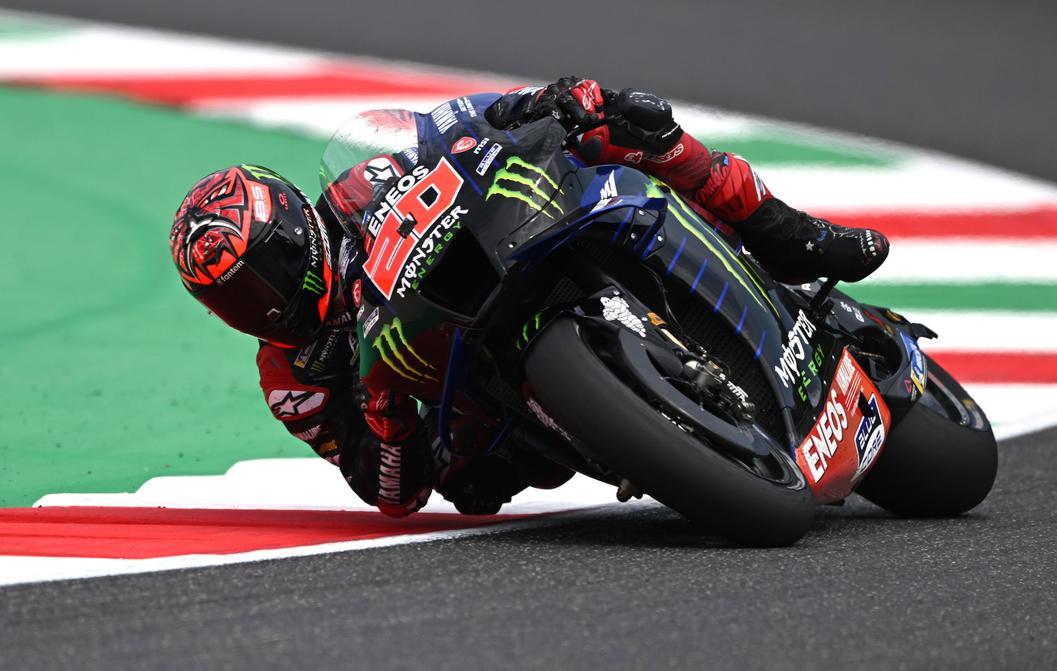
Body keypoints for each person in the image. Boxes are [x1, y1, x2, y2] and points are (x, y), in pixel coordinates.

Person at [168, 77, 890, 519]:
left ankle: (785, 233)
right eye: (236, 299)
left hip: (512, 238)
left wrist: (541, 104)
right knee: (473, 483)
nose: (264, 302)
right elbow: (391, 492)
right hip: (472, 399)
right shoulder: (290, 378)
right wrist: (384, 418)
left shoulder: (360, 184)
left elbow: (450, 127)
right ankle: (649, 430)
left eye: (268, 270)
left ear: (297, 224)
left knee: (623, 120)